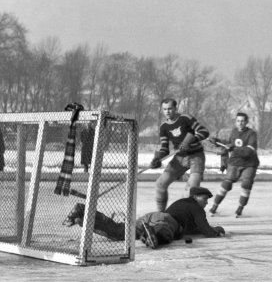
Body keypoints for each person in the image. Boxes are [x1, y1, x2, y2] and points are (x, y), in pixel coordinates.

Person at [63, 187, 225, 249]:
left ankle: (83, 214)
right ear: (197, 197)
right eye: (205, 198)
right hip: (165, 221)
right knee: (165, 233)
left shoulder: (184, 203)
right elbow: (206, 230)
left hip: (152, 217)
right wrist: (216, 231)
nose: (206, 202)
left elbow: (196, 228)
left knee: (118, 232)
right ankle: (152, 236)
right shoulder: (196, 207)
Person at [150, 98, 210, 212]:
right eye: (164, 109)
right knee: (160, 184)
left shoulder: (185, 118)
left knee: (192, 189)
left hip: (196, 156)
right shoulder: (163, 127)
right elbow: (164, 148)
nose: (167, 111)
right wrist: (158, 158)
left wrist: (190, 141)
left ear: (175, 108)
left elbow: (204, 132)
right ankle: (161, 215)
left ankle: (184, 216)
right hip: (179, 158)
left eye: (170, 109)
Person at [209, 112, 260, 217]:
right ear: (235, 122)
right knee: (226, 184)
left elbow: (249, 151)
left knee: (246, 184)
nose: (240, 123)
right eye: (238, 121)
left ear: (246, 122)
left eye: (242, 121)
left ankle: (240, 209)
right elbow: (228, 145)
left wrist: (234, 149)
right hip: (235, 162)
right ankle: (214, 207)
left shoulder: (251, 134)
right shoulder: (233, 132)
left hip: (249, 163)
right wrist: (217, 141)